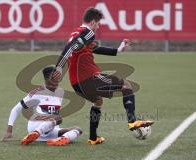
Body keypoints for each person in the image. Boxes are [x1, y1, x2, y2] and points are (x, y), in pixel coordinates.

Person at [52, 8, 153, 145]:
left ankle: (93, 138)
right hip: (88, 79)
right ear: (93, 22)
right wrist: (59, 65)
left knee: (98, 102)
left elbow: (94, 48)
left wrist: (118, 50)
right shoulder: (87, 32)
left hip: (77, 84)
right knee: (127, 86)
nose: (98, 26)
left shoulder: (79, 33)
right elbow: (71, 46)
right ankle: (132, 121)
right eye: (98, 23)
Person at [2, 66, 82, 146]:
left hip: (51, 130)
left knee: (78, 129)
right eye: (53, 78)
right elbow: (16, 109)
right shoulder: (37, 93)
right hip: (36, 126)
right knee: (58, 117)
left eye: (57, 78)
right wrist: (9, 131)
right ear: (46, 79)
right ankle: (36, 133)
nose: (56, 81)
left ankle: (60, 140)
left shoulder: (60, 92)